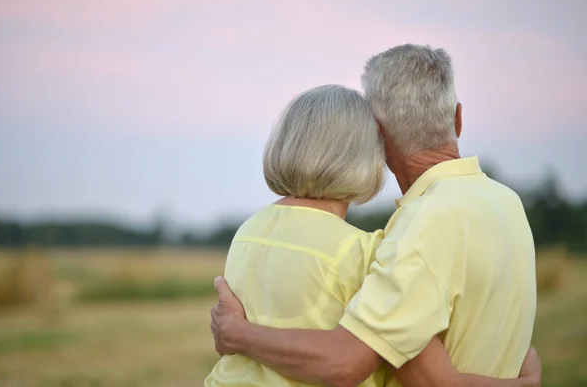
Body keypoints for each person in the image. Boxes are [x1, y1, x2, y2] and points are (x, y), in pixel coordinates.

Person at [209, 45, 538, 387]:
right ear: (458, 117)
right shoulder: (507, 203)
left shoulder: (423, 223)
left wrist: (238, 333)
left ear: (377, 136)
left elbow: (353, 362)